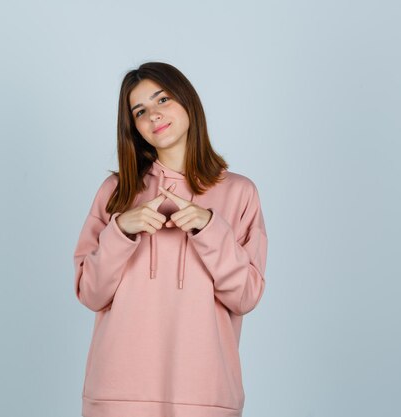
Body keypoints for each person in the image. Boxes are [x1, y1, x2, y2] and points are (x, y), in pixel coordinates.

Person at [73, 61, 268, 417]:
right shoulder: (116, 192)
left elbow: (246, 296)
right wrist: (120, 232)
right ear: (134, 127)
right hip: (118, 398)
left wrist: (210, 229)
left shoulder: (240, 193)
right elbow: (90, 292)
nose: (154, 115)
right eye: (140, 111)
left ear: (187, 102)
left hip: (205, 396)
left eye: (162, 100)